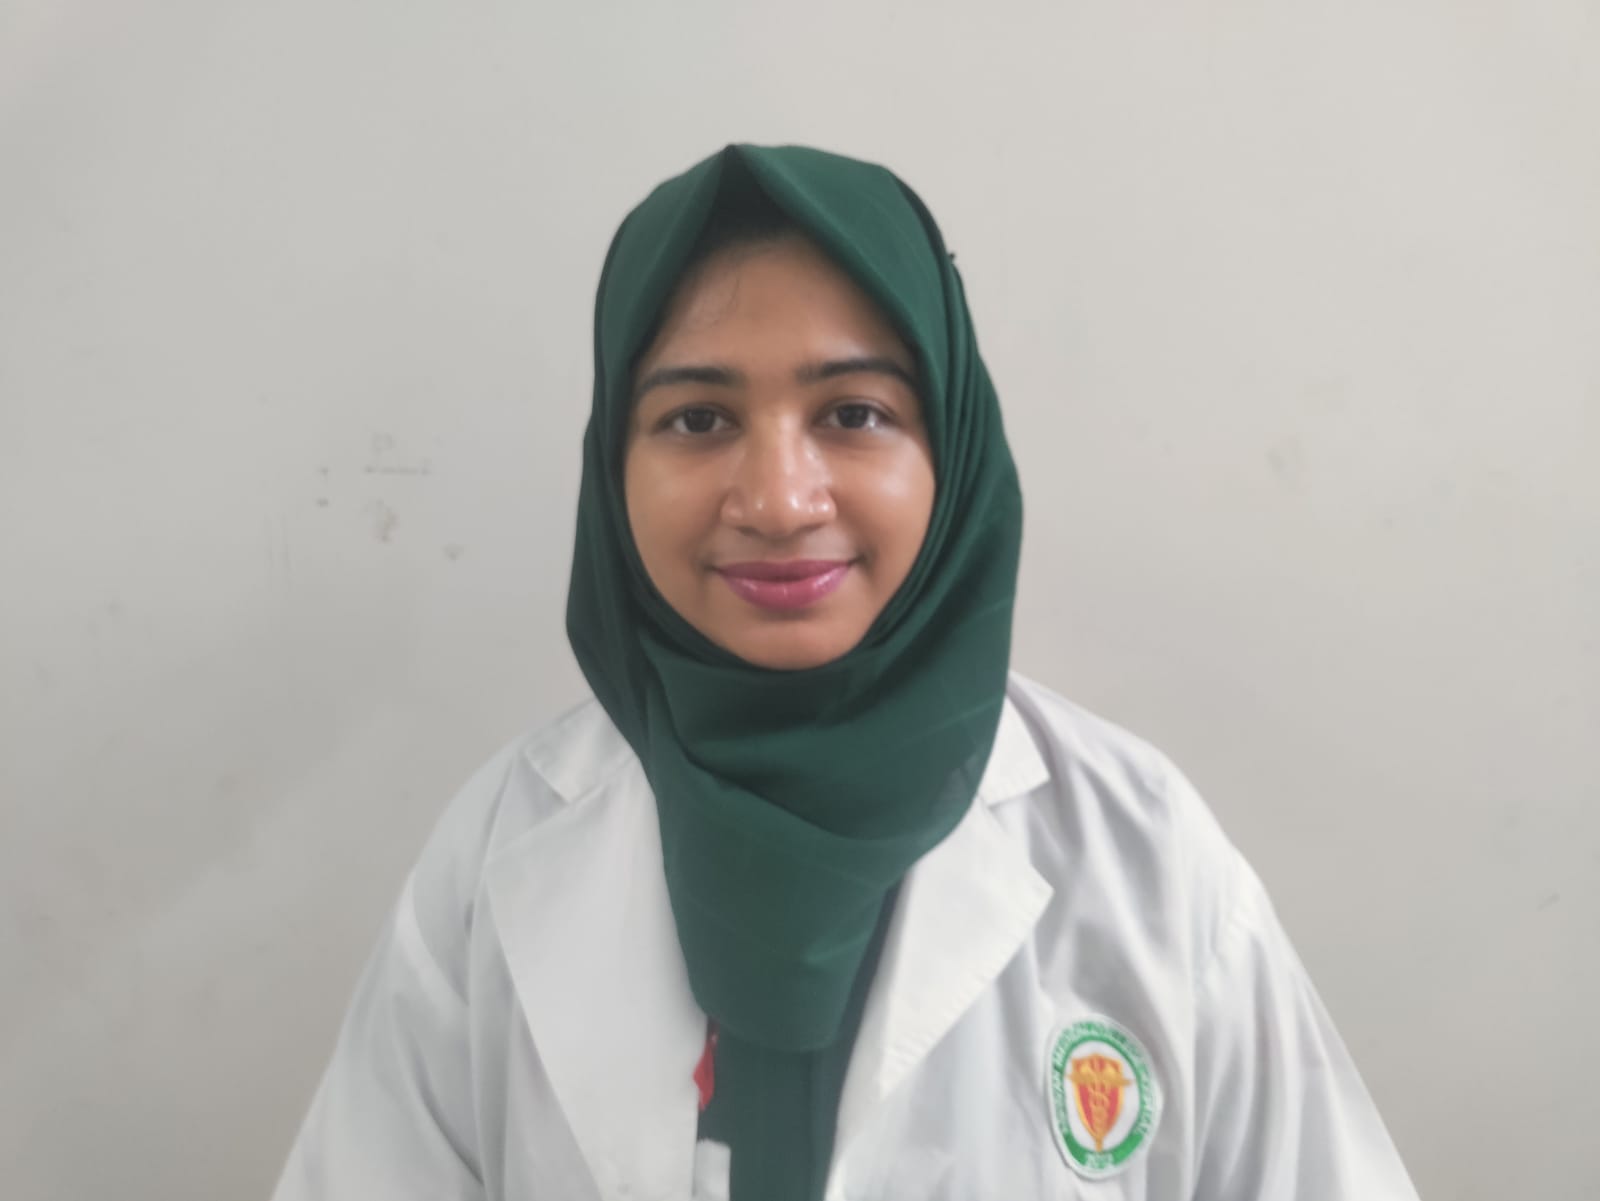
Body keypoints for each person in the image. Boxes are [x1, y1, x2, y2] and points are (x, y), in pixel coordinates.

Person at [271, 144, 1419, 1201]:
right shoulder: (498, 855)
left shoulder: (1147, 856)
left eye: (855, 412)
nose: (778, 500)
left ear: (951, 450)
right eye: (698, 418)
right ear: (612, 466)